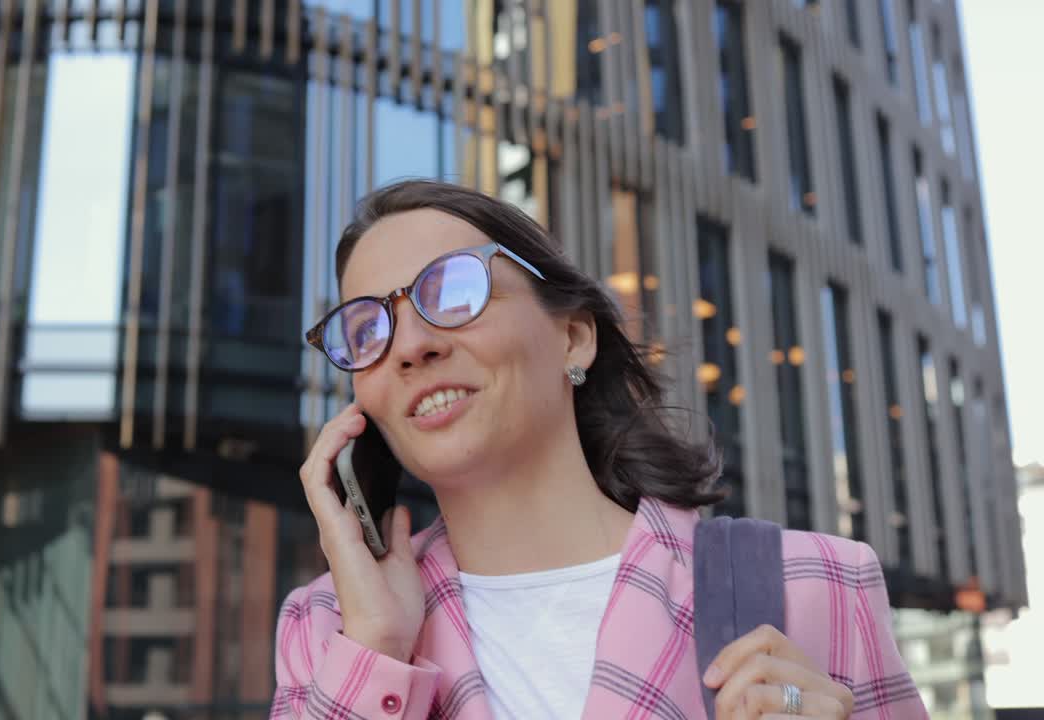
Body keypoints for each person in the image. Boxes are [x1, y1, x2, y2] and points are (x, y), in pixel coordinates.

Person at [273, 180, 924, 719]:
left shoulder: (815, 583)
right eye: (367, 328)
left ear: (574, 337)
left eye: (451, 292)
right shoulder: (329, 625)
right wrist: (377, 649)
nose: (412, 345)